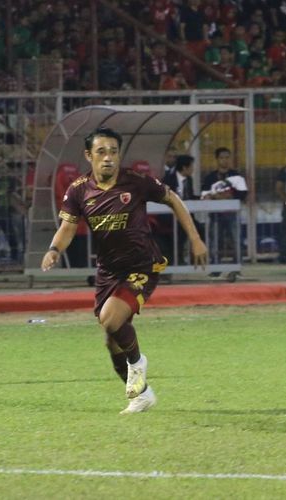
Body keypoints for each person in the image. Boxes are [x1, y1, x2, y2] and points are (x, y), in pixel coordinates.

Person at [41, 127, 207, 414]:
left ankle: (138, 363)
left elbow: (173, 199)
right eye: (101, 152)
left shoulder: (135, 182)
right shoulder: (78, 190)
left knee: (110, 319)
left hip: (142, 265)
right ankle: (141, 394)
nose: (108, 158)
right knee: (112, 338)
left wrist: (195, 239)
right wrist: (54, 250)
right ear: (88, 155)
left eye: (114, 152)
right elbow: (68, 228)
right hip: (109, 271)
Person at [201, 147, 248, 264]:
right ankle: (215, 267)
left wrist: (230, 196)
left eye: (227, 157)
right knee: (215, 241)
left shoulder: (236, 175)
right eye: (222, 158)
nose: (225, 160)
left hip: (232, 213)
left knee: (236, 240)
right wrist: (214, 196)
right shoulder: (210, 177)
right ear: (217, 159)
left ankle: (237, 266)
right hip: (216, 214)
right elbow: (204, 194)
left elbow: (243, 193)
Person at [164, 154, 204, 265]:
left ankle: (197, 258)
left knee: (200, 229)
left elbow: (189, 197)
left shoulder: (188, 180)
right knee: (179, 234)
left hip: (186, 217)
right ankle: (178, 260)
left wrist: (201, 198)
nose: (193, 169)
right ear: (185, 168)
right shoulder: (168, 179)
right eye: (191, 167)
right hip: (171, 217)